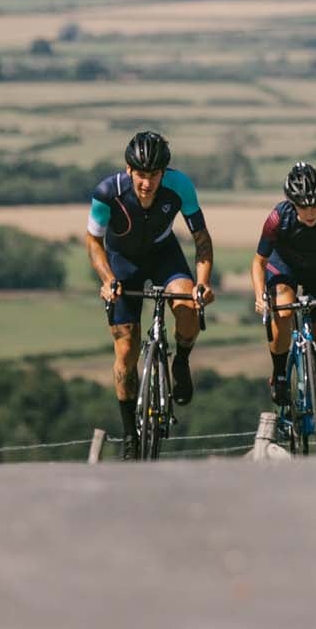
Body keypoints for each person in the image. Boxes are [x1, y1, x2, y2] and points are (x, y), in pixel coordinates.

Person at [86, 130, 214, 454]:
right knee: (126, 351)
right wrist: (107, 279)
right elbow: (93, 243)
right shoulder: (107, 193)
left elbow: (201, 239)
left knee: (186, 305)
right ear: (129, 170)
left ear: (163, 173)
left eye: (154, 175)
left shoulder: (179, 186)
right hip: (121, 262)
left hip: (162, 255)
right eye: (141, 174)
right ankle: (130, 434)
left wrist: (202, 282)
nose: (147, 183)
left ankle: (181, 360)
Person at [251, 161, 316, 454]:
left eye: (315, 205)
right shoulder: (277, 218)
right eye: (303, 206)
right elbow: (259, 262)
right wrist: (260, 294)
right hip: (283, 268)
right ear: (292, 203)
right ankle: (280, 374)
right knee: (283, 310)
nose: (310, 212)